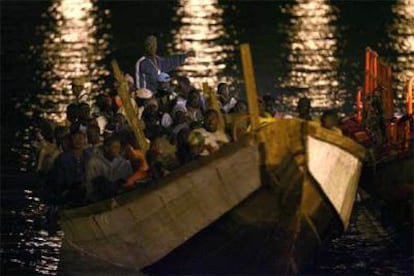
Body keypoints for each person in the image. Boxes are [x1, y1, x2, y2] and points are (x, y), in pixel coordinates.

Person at [47, 131, 89, 206]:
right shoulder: (63, 159)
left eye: (81, 138)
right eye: (75, 138)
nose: (78, 141)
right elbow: (58, 181)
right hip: (68, 195)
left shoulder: (89, 156)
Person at [85, 135, 133, 202]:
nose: (118, 150)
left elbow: (129, 180)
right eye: (115, 147)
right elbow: (91, 186)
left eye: (119, 147)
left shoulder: (123, 162)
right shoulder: (94, 163)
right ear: (106, 148)